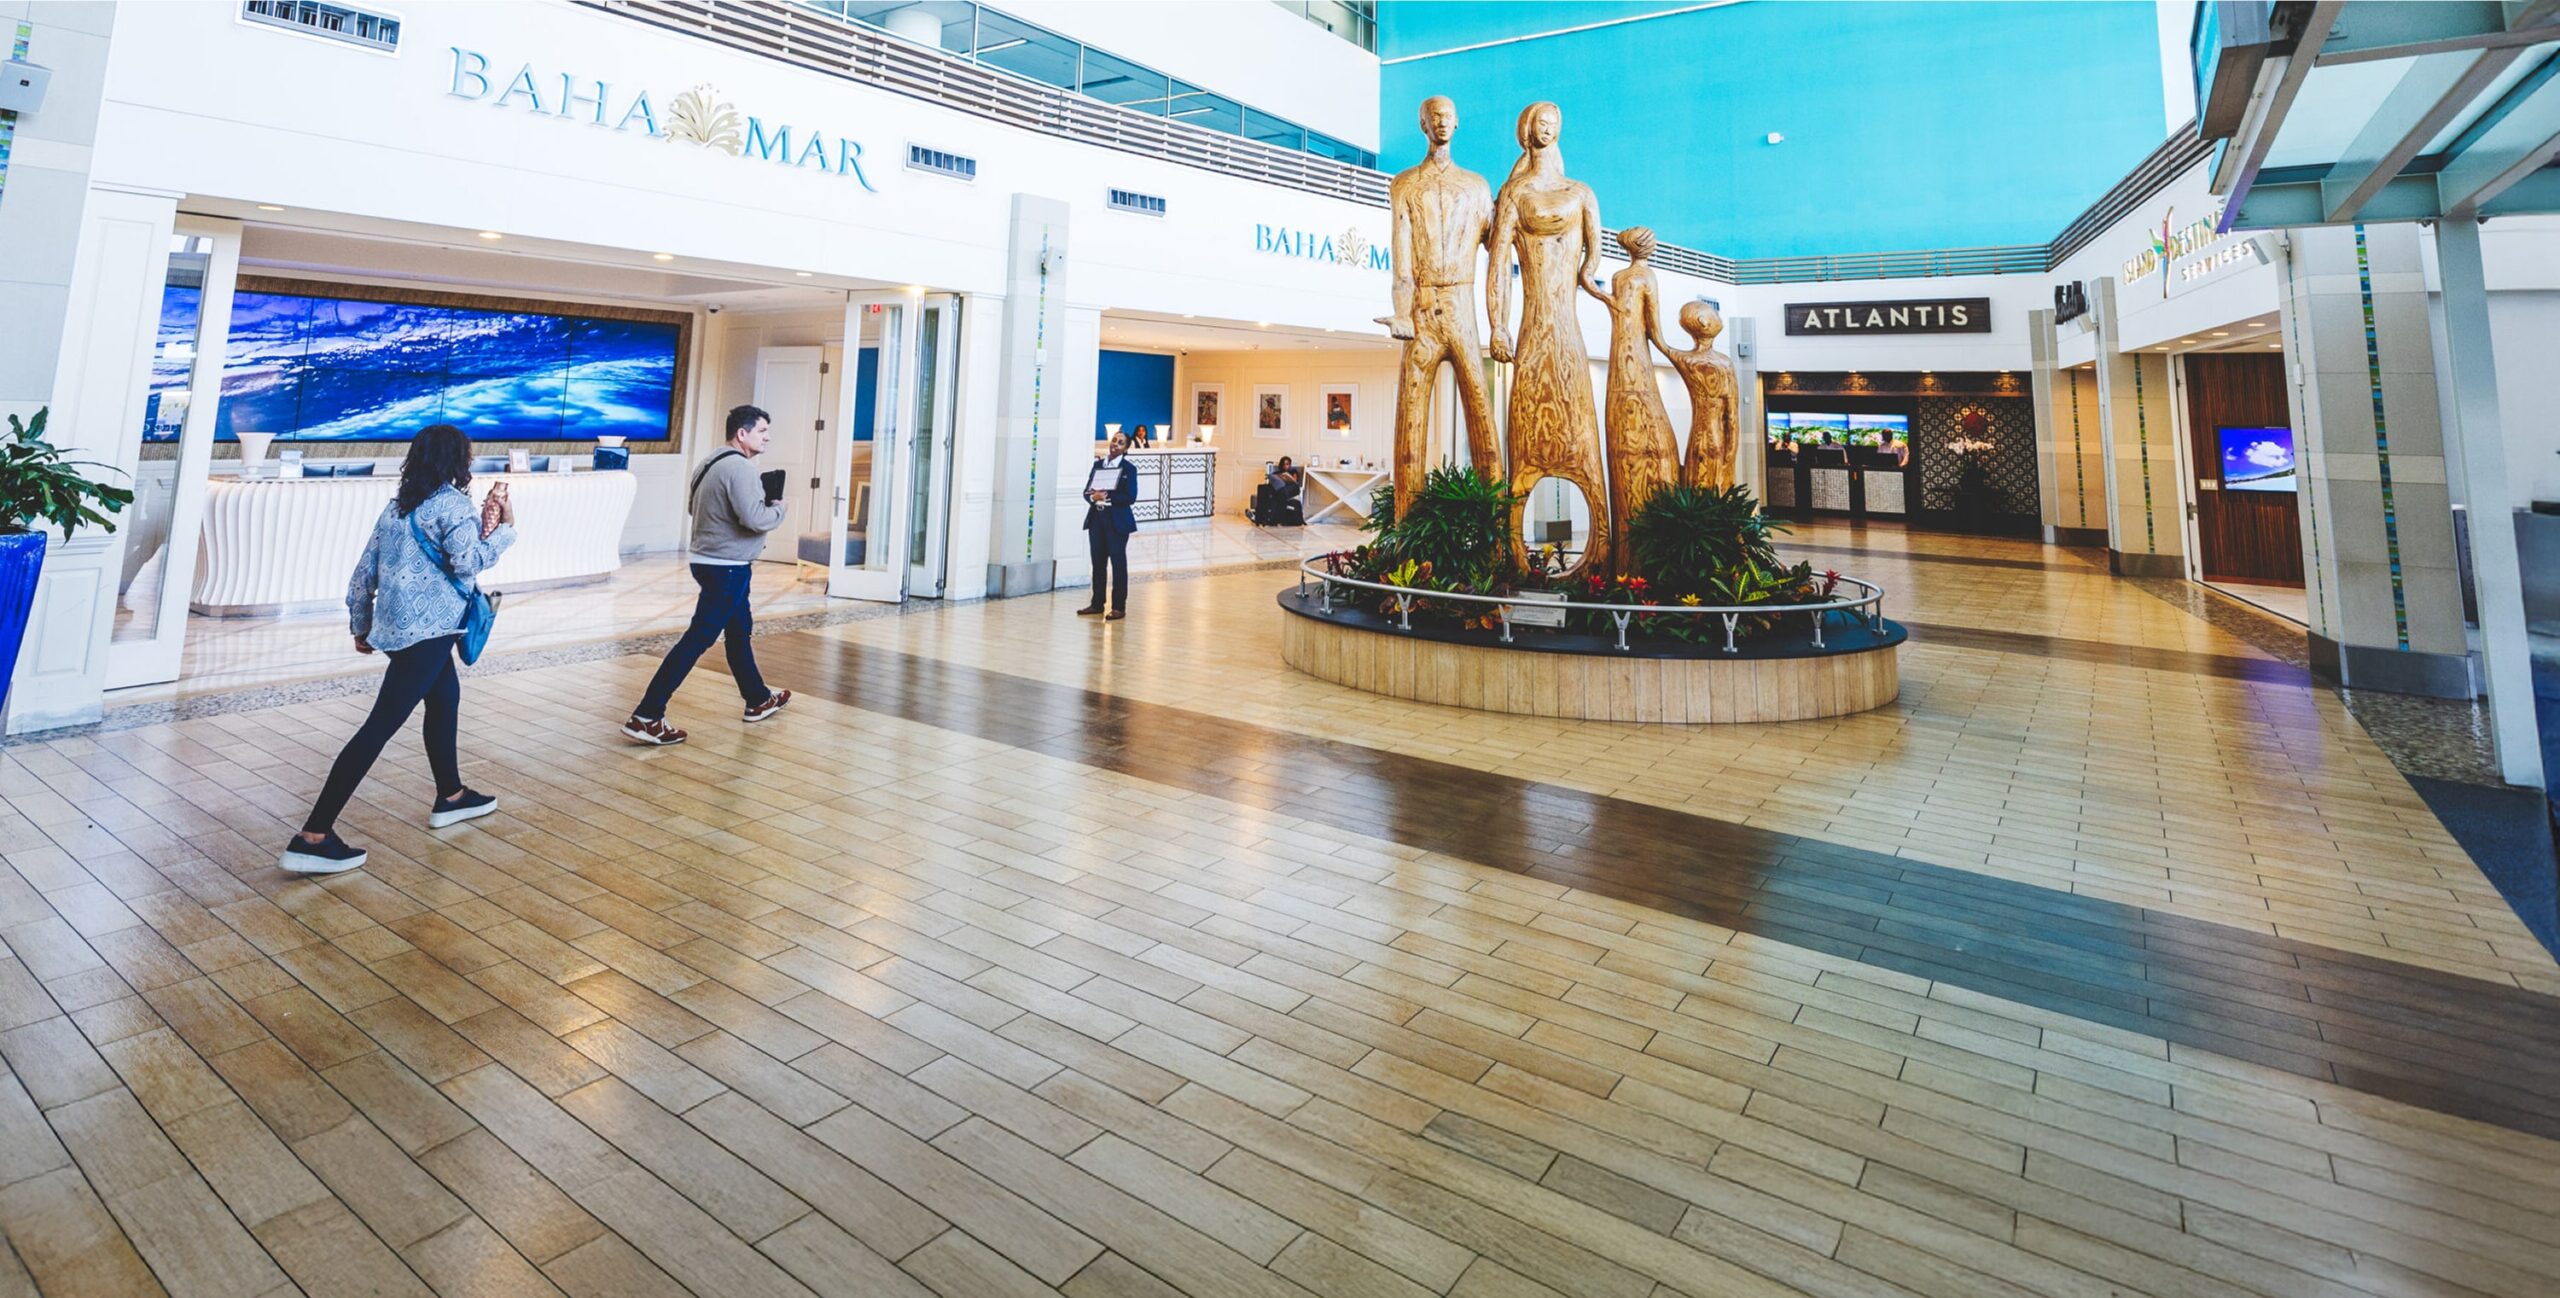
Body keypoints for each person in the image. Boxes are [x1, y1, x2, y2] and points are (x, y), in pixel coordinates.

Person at [281, 423, 512, 874]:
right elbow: (466, 566)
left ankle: (452, 795)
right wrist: (505, 530)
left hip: (401, 631)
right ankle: (314, 835)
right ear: (456, 461)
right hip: (430, 632)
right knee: (378, 727)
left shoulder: (397, 508)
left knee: (445, 700)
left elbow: (363, 573)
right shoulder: (453, 505)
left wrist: (361, 624)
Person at [622, 405, 792, 746]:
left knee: (739, 632)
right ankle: (647, 715)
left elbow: (693, 508)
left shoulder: (709, 462)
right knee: (698, 638)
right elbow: (755, 519)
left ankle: (757, 699)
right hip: (726, 567)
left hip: (710, 562)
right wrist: (779, 508)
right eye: (762, 431)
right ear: (741, 434)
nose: (768, 437)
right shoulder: (740, 468)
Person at [1079, 431, 1138, 620]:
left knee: (1118, 564)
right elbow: (1086, 491)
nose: (1115, 444)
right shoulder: (1098, 465)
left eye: (1120, 442)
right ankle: (1097, 604)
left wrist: (1108, 496)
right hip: (1097, 519)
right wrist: (1092, 497)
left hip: (1117, 522)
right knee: (1098, 563)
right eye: (1114, 440)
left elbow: (1131, 497)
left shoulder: (1129, 469)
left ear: (1125, 448)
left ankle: (1119, 607)